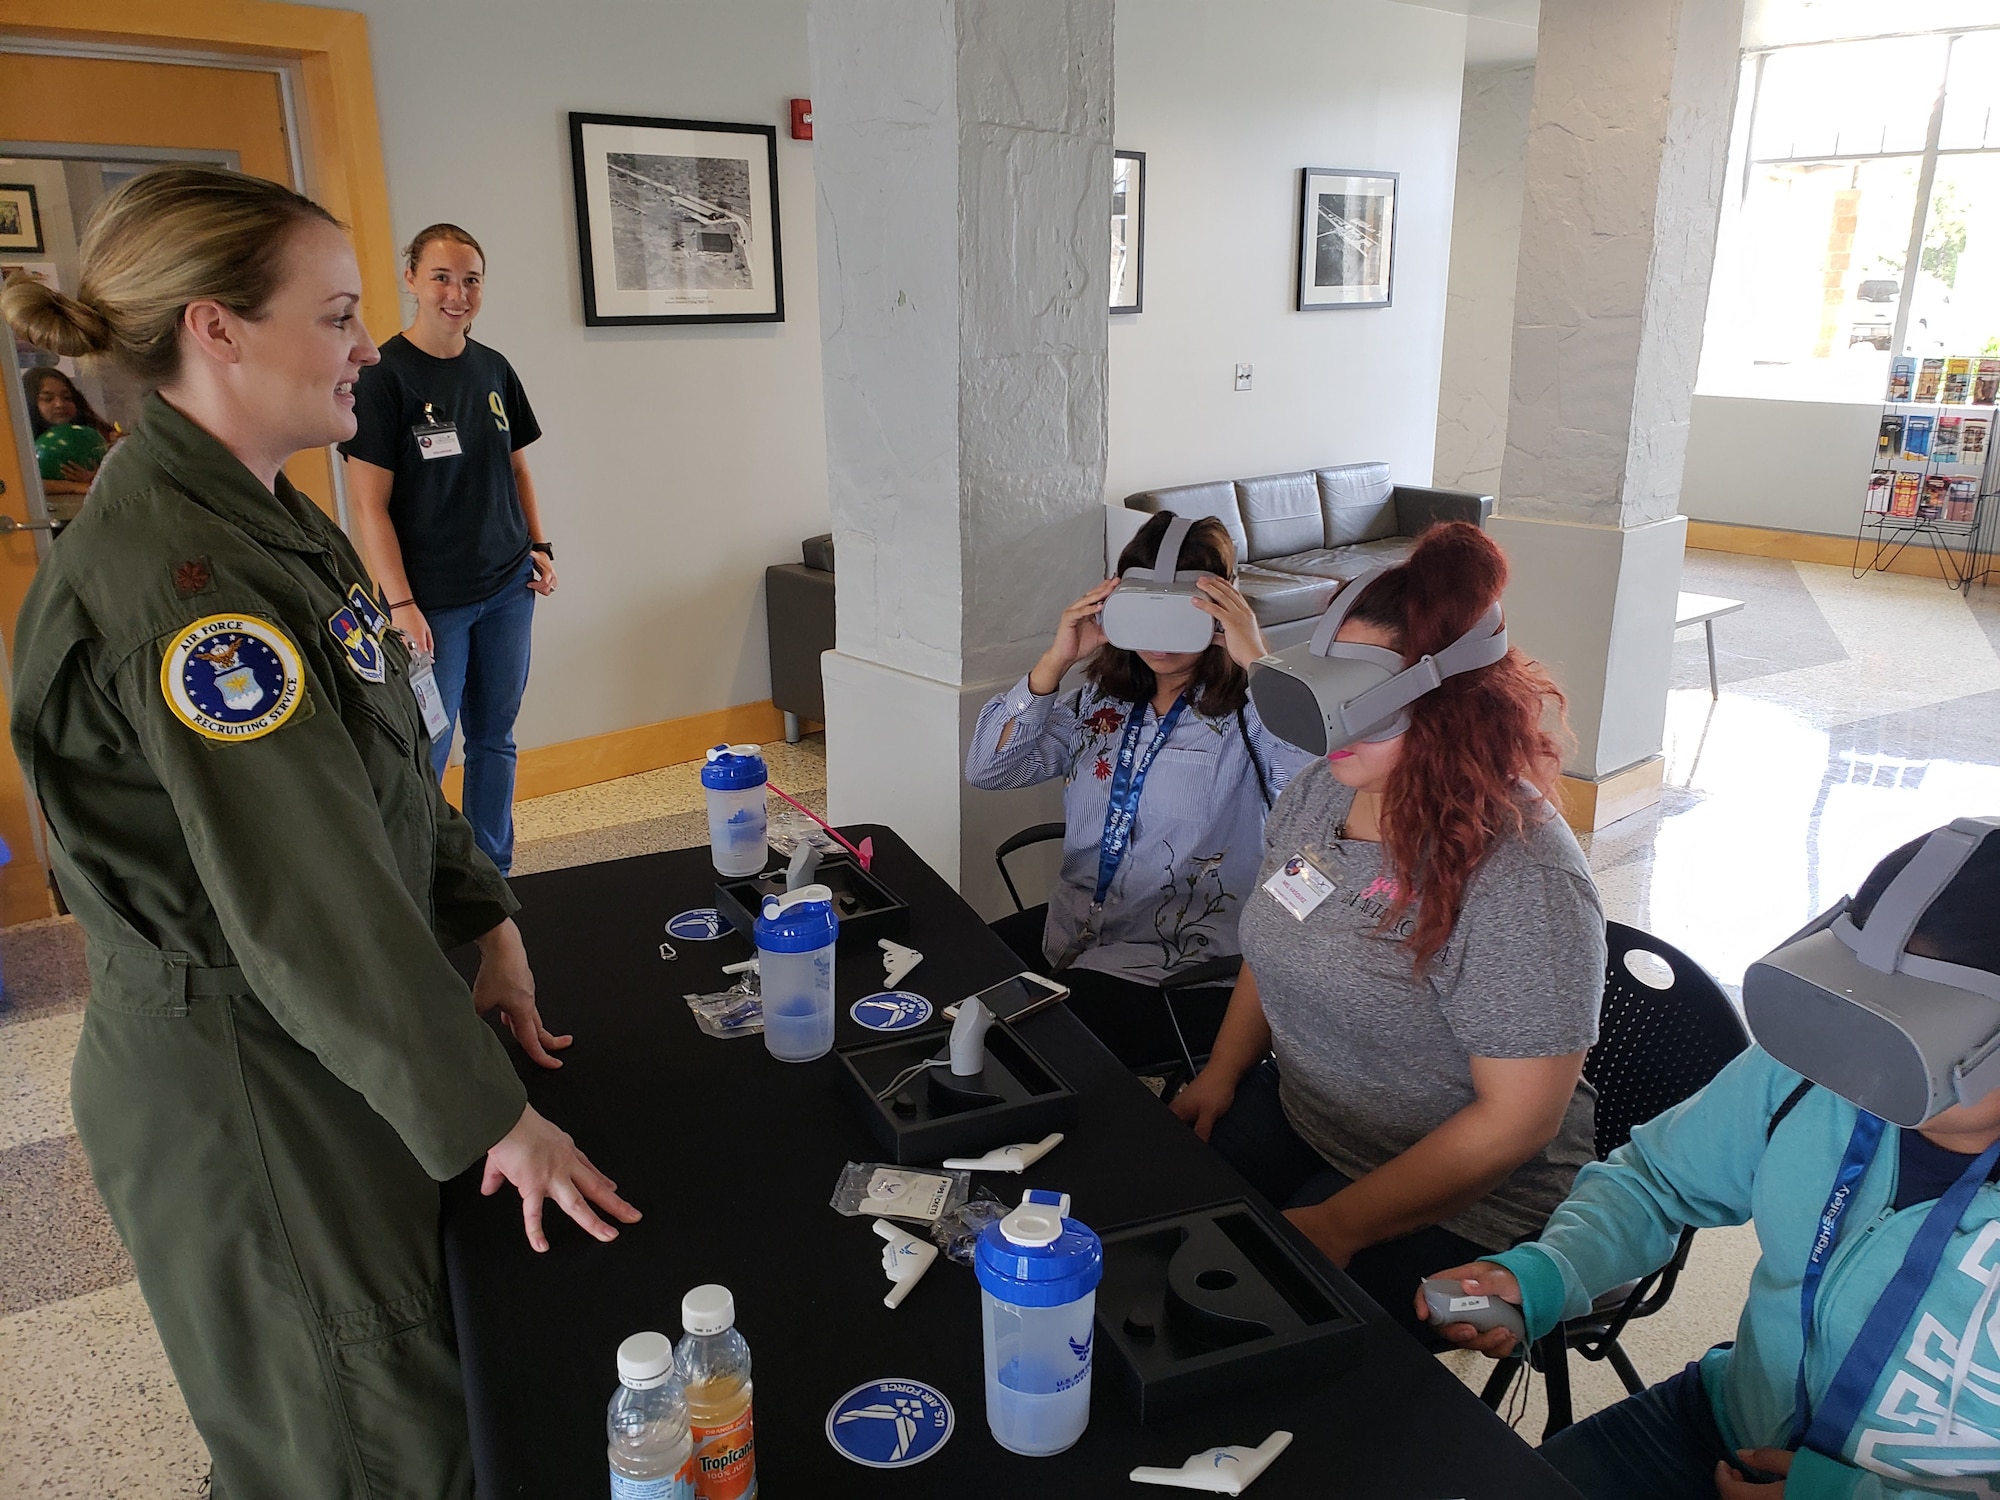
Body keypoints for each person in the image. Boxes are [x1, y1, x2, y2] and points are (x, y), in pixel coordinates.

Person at [0, 165, 635, 1499]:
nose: (369, 345)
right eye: (339, 315)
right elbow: (305, 895)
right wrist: (492, 1121)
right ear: (215, 329)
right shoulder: (189, 587)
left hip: (313, 1033)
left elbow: (387, 766)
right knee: (359, 1438)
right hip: (243, 1079)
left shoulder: (269, 517)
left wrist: (485, 918)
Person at [1430, 823, 2000, 1500]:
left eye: (1907, 1040)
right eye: (1858, 1015)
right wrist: (1553, 1269)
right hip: (1726, 1426)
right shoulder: (1808, 1076)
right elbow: (1657, 1183)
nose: (1857, 1072)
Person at [1169, 522, 1604, 1337]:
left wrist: (1341, 1225)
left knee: (1258, 1332)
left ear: (1451, 711)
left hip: (1474, 1195)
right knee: (1156, 1229)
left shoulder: (1521, 880)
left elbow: (1519, 1121)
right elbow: (1277, 941)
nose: (1326, 727)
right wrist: (1223, 1074)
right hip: (1312, 1112)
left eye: (1357, 706)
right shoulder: (1322, 792)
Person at [964, 510, 1313, 1069]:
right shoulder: (1102, 702)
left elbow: (1320, 798)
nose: (1162, 646)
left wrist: (1259, 663)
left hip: (1179, 968)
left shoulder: (1256, 716)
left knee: (1019, 1056)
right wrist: (1055, 660)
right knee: (949, 987)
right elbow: (990, 769)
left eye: (1183, 619)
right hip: (1071, 934)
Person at [341, 222, 553, 874]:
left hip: (508, 589)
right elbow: (367, 504)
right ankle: (424, 880)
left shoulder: (493, 368)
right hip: (430, 606)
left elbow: (517, 469)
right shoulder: (384, 377)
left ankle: (492, 871)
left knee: (495, 740)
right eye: (441, 276)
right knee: (428, 746)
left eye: (470, 280)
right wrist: (400, 604)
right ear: (411, 280)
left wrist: (540, 546)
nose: (456, 293)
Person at [23, 365, 116, 498]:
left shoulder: (95, 433)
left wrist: (99, 475)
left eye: (67, 397)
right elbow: (21, 483)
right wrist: (76, 487)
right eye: (48, 399)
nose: (60, 404)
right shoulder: (18, 444)